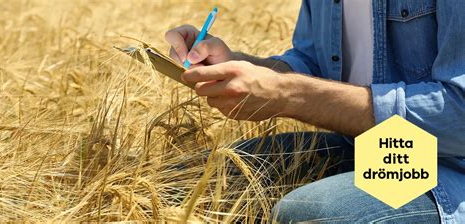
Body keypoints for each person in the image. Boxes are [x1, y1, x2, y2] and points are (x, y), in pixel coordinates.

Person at [165, 0, 465, 223]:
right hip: (369, 147)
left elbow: (460, 113)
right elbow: (310, 64)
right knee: (189, 181)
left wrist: (287, 94)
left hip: (448, 169)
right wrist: (232, 66)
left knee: (311, 214)